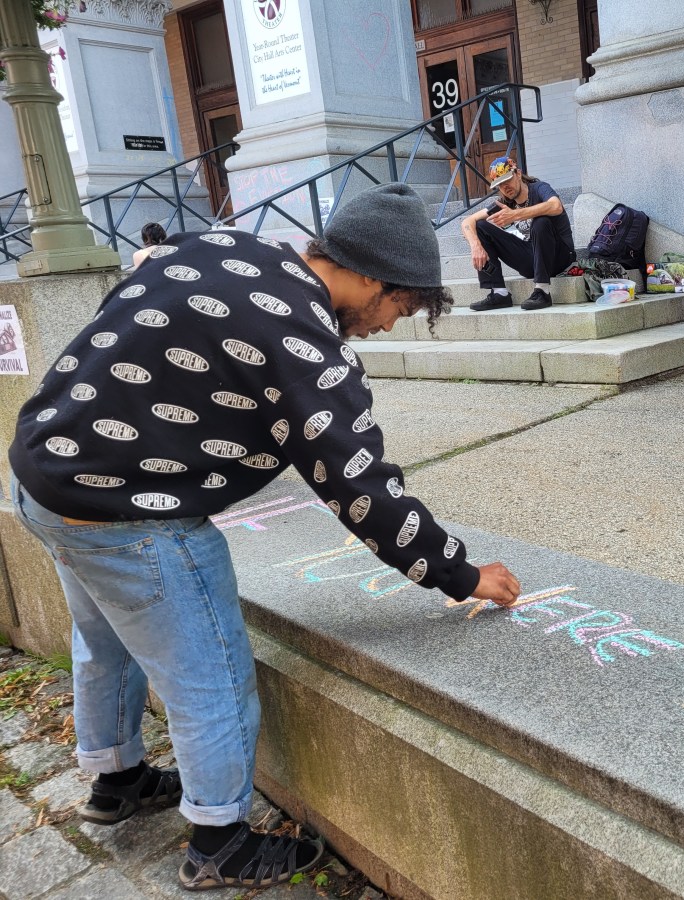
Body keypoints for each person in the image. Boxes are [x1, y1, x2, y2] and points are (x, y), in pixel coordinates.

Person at [7, 183, 521, 892]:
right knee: (211, 672)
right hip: (127, 513)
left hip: (43, 476)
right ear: (369, 274)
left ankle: (115, 781)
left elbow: (129, 322)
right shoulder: (304, 340)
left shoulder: (224, 248)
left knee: (104, 637)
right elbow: (361, 485)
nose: (389, 324)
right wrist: (462, 575)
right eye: (398, 304)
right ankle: (219, 843)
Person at [461, 156, 575, 312]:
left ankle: (542, 291)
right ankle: (499, 293)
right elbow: (467, 222)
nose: (505, 187)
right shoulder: (505, 202)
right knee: (480, 226)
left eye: (507, 179)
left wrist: (516, 215)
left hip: (560, 256)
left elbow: (556, 206)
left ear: (518, 174)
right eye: (499, 184)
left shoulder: (539, 188)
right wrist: (475, 246)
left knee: (541, 222)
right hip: (532, 260)